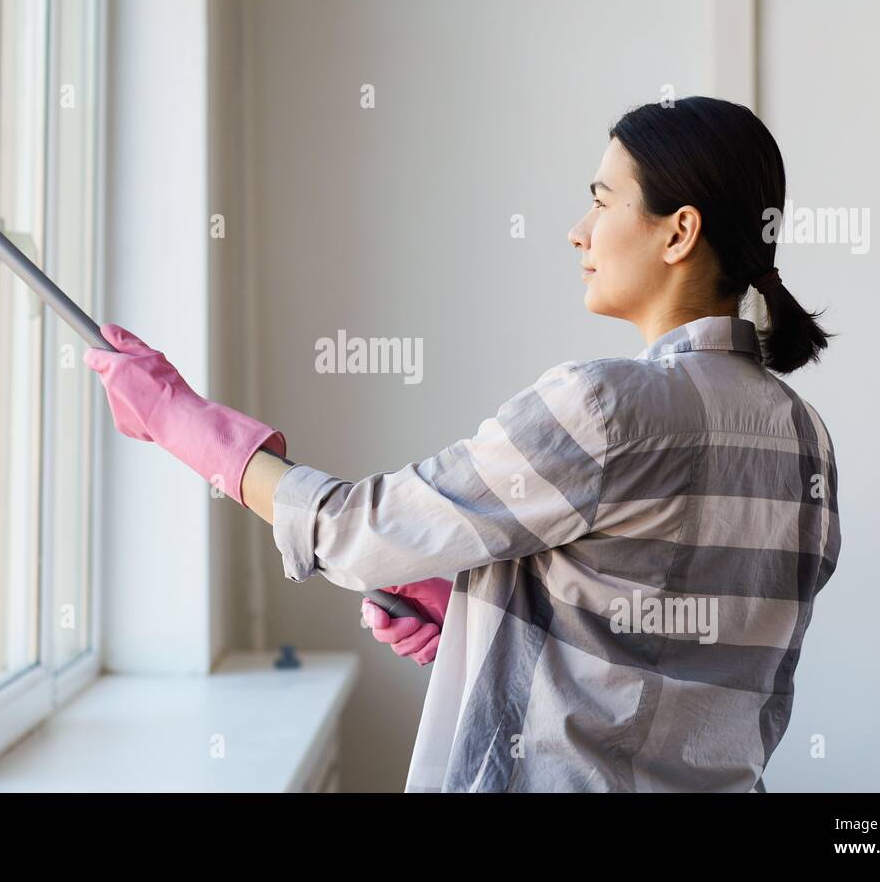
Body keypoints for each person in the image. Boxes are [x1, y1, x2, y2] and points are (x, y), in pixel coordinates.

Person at [85, 96, 841, 792]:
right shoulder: (805, 439)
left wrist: (177, 419)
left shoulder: (604, 407)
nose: (578, 231)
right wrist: (481, 617)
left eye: (602, 200)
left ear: (679, 231)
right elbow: (665, 646)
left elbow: (351, 530)